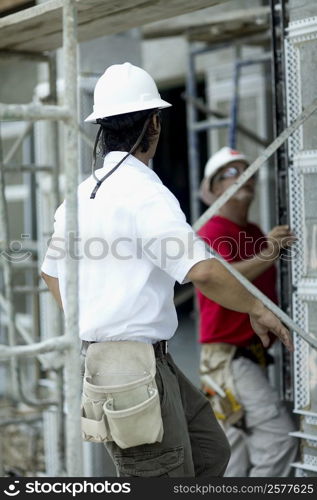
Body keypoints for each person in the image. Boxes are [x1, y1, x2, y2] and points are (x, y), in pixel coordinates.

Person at [40, 63, 294, 478]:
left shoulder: (80, 196)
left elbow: (50, 273)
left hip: (146, 361)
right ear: (154, 123)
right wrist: (257, 307)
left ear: (102, 127)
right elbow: (203, 271)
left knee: (210, 452)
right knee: (161, 477)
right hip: (128, 366)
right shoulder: (145, 193)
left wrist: (91, 321)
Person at [197, 146, 298, 477]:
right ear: (212, 189)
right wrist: (270, 252)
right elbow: (226, 279)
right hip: (227, 361)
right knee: (279, 438)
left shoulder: (254, 232)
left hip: (247, 358)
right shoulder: (208, 232)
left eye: (247, 171)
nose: (243, 178)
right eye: (230, 173)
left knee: (233, 456)